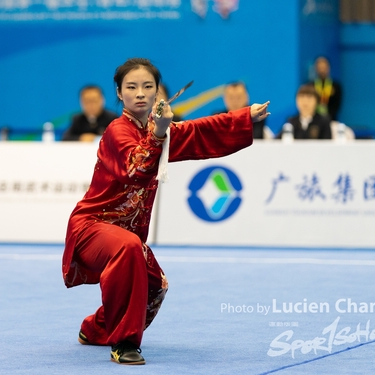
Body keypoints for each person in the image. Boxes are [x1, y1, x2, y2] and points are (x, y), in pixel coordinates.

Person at [62, 58, 269, 365]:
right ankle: (125, 342)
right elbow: (136, 169)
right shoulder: (116, 132)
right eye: (131, 87)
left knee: (155, 286)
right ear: (119, 93)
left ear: (158, 92)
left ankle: (96, 328)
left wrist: (243, 117)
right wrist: (158, 132)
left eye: (148, 86)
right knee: (129, 247)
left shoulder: (160, 131)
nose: (141, 93)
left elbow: (199, 132)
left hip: (123, 237)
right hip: (91, 228)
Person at [309, 56, 342, 121]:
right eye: (320, 67)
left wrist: (328, 117)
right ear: (316, 68)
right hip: (314, 120)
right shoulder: (310, 86)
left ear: (329, 67)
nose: (322, 70)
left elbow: (337, 105)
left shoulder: (336, 86)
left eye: (324, 67)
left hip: (331, 119)